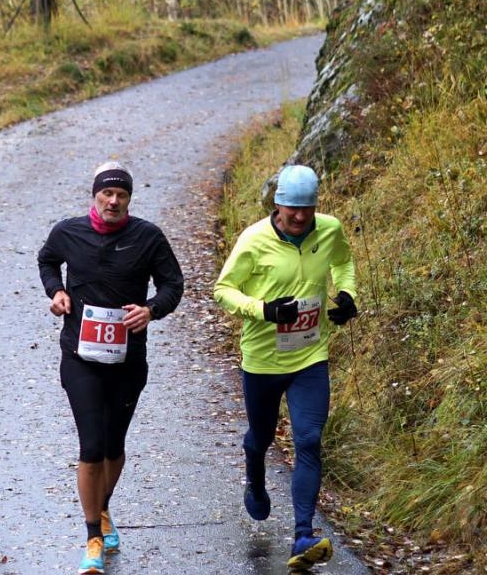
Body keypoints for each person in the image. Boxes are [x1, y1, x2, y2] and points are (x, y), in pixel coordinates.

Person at [37, 161, 184, 575]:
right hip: (79, 357)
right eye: (107, 194)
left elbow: (174, 284)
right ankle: (92, 539)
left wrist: (151, 310)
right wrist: (57, 291)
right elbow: (47, 260)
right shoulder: (68, 232)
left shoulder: (148, 237)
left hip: (127, 359)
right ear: (95, 196)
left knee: (115, 446)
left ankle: (102, 508)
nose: (114, 201)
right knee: (91, 446)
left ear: (129, 200)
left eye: (121, 195)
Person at [213, 164, 358, 573]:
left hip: (310, 356)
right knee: (260, 437)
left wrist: (347, 293)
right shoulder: (254, 240)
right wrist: (265, 310)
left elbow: (343, 261)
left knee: (309, 439)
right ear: (277, 205)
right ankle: (254, 474)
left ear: (315, 206)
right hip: (262, 360)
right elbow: (223, 290)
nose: (299, 217)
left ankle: (303, 534)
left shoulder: (329, 229)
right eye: (292, 210)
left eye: (306, 209)